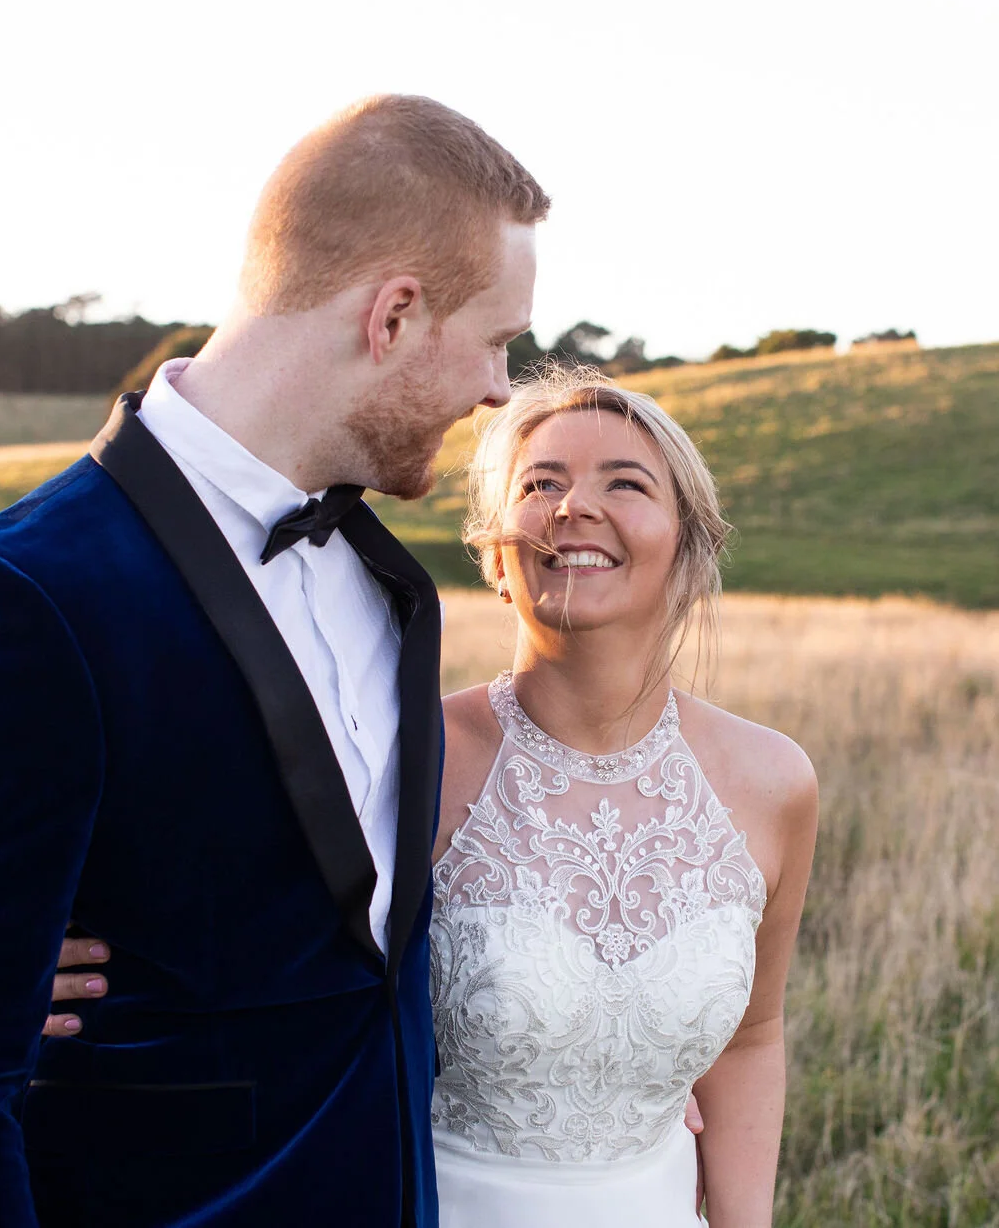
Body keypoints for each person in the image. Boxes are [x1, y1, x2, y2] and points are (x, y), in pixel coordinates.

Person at [0, 93, 548, 1227]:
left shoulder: (387, 580)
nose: (498, 388)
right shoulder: (30, 593)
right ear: (393, 315)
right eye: (495, 340)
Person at [54, 368, 820, 1225]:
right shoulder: (407, 753)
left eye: (625, 483)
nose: (574, 506)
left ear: (690, 547)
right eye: (541, 484)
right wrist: (34, 954)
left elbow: (751, 1039)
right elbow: (225, 923)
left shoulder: (772, 782)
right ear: (495, 556)